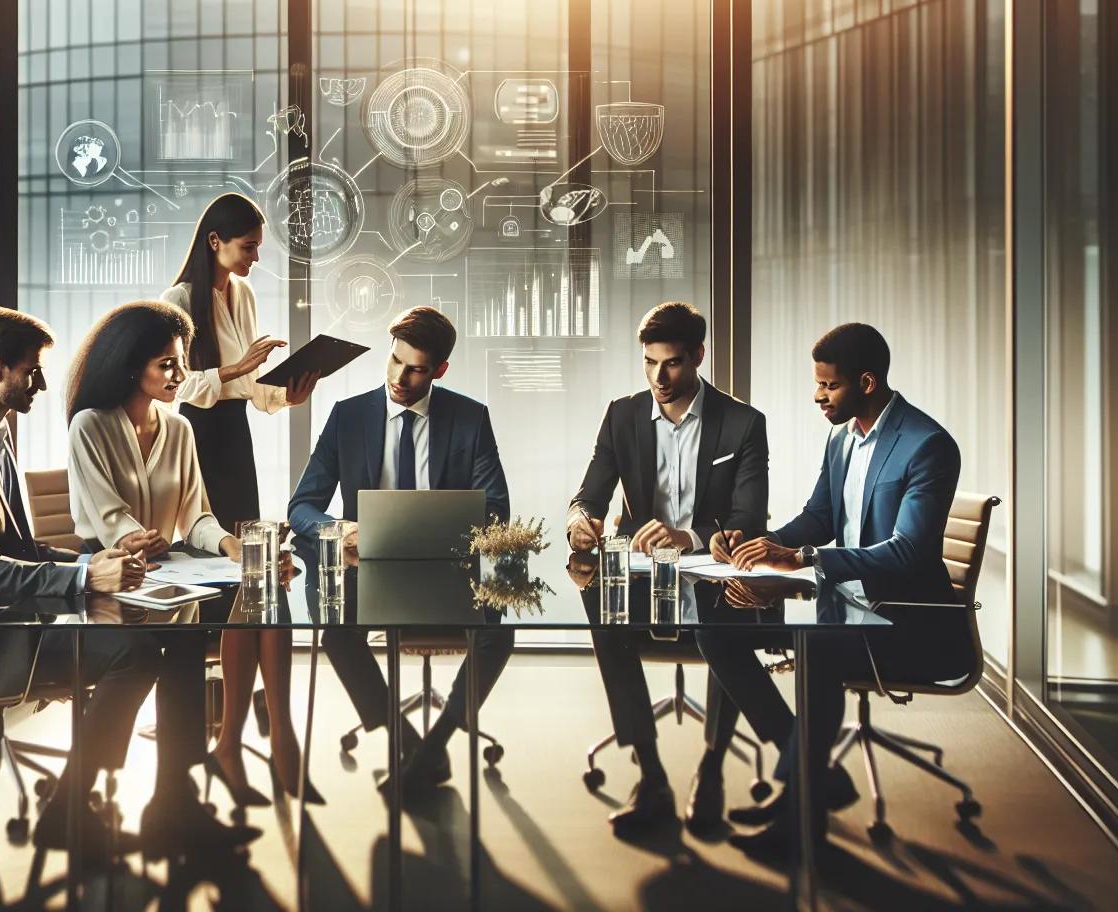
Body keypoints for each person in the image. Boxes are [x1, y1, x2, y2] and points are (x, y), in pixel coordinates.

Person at [0, 306, 258, 860]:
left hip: (18, 616)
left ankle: (175, 804)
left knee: (182, 638)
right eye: (32, 371)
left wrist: (83, 567)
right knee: (136, 653)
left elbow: (19, 552)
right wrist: (85, 571)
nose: (43, 385)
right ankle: (72, 811)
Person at [696, 322, 969, 857]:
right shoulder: (841, 437)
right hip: (845, 608)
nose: (818, 396)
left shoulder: (927, 446)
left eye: (829, 385)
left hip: (908, 623)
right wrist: (764, 544)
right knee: (717, 628)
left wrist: (805, 559)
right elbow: (820, 517)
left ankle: (800, 819)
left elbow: (908, 552)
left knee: (817, 646)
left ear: (866, 382)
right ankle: (808, 776)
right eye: (817, 384)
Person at [287, 306, 513, 799]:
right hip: (365, 568)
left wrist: (435, 530)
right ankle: (406, 739)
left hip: (445, 569)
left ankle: (436, 743)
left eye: (415, 369)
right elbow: (301, 507)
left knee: (499, 634)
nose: (400, 377)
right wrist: (340, 528)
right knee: (337, 631)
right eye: (394, 361)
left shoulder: (470, 417)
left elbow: (496, 508)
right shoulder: (349, 416)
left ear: (439, 371)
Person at [565, 302, 770, 835]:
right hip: (641, 576)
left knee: (729, 615)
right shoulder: (622, 415)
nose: (659, 376)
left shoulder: (743, 424)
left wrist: (689, 537)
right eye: (650, 362)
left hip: (711, 572)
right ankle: (650, 773)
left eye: (673, 363)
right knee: (601, 609)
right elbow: (589, 495)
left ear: (698, 356)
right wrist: (579, 522)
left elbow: (749, 519)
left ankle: (712, 768)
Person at [160, 193, 319, 807]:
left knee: (258, 585)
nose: (255, 258)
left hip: (235, 439)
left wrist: (284, 394)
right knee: (237, 586)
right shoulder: (177, 303)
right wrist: (234, 371)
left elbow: (251, 386)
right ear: (215, 241)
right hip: (195, 441)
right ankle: (246, 743)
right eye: (248, 246)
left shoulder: (242, 295)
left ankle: (263, 740)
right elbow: (172, 389)